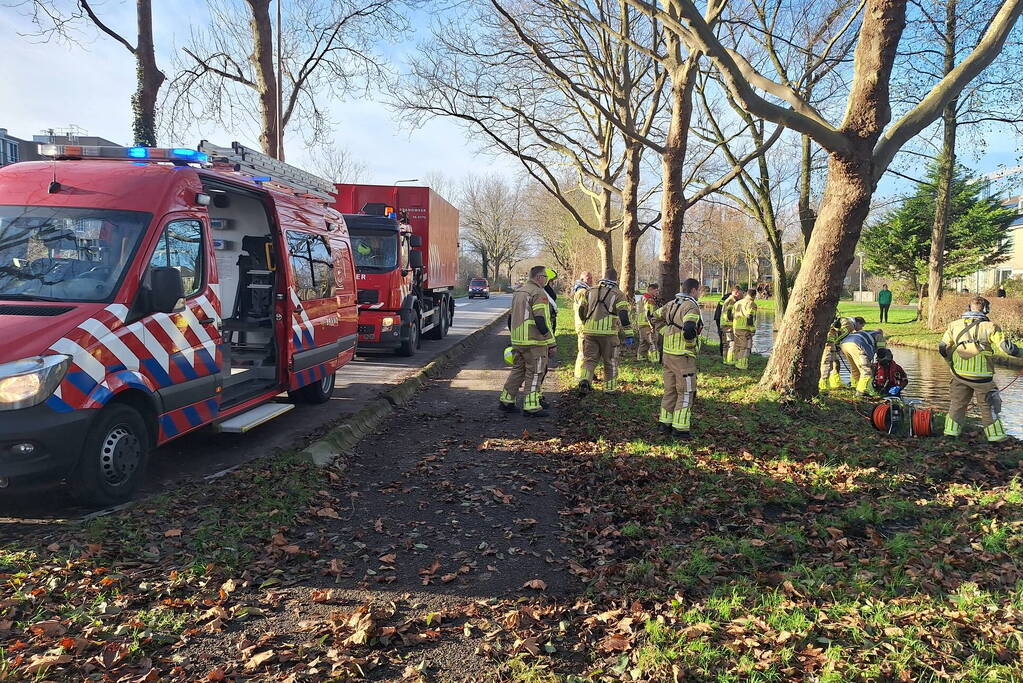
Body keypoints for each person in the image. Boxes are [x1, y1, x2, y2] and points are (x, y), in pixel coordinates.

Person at [939, 296, 1020, 442]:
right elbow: (1008, 349)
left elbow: (942, 348)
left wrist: (950, 362)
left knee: (957, 404)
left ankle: (950, 434)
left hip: (959, 375)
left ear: (968, 308)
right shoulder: (991, 327)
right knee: (989, 406)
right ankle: (996, 437)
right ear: (986, 310)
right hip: (982, 377)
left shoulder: (954, 325)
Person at [499, 265, 556, 416]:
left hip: (518, 340)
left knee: (518, 370)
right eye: (545, 277)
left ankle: (506, 400)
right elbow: (540, 319)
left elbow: (511, 317)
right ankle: (531, 407)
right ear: (538, 277)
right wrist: (551, 342)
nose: (546, 280)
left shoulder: (519, 292)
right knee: (535, 372)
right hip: (534, 341)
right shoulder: (538, 293)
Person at [652, 278, 703, 439]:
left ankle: (664, 424)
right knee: (686, 392)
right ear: (694, 290)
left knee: (670, 390)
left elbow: (653, 317)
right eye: (699, 291)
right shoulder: (691, 307)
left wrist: (666, 332)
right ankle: (680, 429)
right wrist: (689, 340)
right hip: (683, 357)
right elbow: (689, 328)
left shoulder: (671, 303)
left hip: (667, 354)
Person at [577, 268, 634, 392]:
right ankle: (610, 389)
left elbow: (581, 310)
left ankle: (585, 380)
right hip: (609, 334)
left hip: (589, 332)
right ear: (616, 278)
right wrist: (629, 334)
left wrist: (585, 322)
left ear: (604, 277)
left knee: (590, 359)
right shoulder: (618, 294)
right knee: (610, 361)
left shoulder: (590, 291)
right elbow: (623, 315)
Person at [840, 318, 887, 396]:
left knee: (855, 368)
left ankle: (854, 386)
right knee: (866, 371)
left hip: (845, 344)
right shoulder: (879, 335)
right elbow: (881, 351)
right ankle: (861, 391)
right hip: (858, 345)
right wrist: (881, 361)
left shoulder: (866, 332)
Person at [819, 317, 854, 392]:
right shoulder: (831, 330)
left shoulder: (833, 329)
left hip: (831, 347)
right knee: (827, 365)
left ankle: (833, 382)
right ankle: (823, 386)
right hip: (828, 347)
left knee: (836, 363)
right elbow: (847, 329)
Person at [572, 271, 594, 380]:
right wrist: (586, 320)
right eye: (587, 278)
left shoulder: (583, 290)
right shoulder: (582, 292)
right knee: (583, 351)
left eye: (591, 277)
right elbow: (582, 309)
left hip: (582, 325)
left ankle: (585, 373)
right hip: (583, 325)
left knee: (586, 351)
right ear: (582, 279)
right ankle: (579, 375)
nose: (590, 279)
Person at [730, 288, 757, 370]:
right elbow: (750, 317)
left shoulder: (737, 302)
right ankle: (742, 366)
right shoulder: (752, 304)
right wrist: (752, 329)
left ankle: (736, 362)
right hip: (745, 328)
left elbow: (731, 315)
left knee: (737, 346)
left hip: (736, 327)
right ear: (754, 295)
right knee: (744, 347)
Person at [716, 286, 742, 365]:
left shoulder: (727, 299)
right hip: (728, 326)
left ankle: (725, 360)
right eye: (740, 293)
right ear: (737, 292)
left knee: (725, 344)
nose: (741, 295)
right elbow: (729, 315)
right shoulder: (732, 301)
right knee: (732, 344)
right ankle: (730, 361)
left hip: (723, 324)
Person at [635, 283, 660, 362]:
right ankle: (655, 360)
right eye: (655, 290)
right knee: (653, 341)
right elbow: (649, 313)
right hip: (647, 324)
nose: (657, 292)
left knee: (643, 342)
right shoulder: (649, 300)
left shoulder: (642, 298)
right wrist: (652, 325)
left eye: (658, 290)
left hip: (641, 323)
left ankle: (641, 358)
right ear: (650, 290)